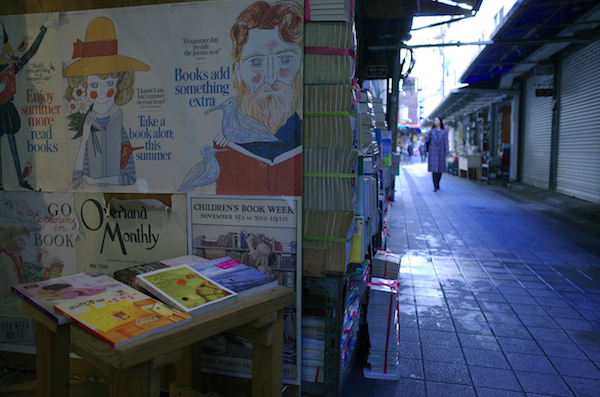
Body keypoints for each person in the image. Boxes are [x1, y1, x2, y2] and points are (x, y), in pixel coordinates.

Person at [212, 0, 303, 196]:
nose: (271, 78)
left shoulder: (309, 140)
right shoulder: (220, 149)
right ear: (237, 73)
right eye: (256, 62)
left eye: (285, 59)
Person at [63, 17, 149, 188]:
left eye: (109, 84)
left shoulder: (118, 127)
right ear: (84, 89)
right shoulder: (85, 126)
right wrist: (85, 136)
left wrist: (97, 181)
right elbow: (76, 179)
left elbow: (130, 178)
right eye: (94, 85)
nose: (102, 94)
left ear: (119, 87)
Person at [0, 19, 48, 190]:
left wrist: (43, 31)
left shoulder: (9, 65)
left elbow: (30, 53)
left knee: (13, 147)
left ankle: (20, 180)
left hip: (7, 109)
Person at [425, 116, 449, 192]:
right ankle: (435, 186)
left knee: (440, 170)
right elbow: (427, 142)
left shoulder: (444, 131)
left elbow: (446, 143)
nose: (435, 122)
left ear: (440, 122)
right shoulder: (431, 131)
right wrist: (426, 151)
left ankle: (438, 183)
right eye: (434, 120)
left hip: (441, 152)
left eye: (436, 120)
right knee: (434, 170)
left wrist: (447, 152)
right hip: (433, 152)